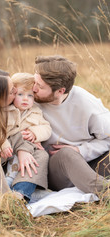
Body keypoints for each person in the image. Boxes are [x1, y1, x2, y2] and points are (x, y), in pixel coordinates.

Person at [30, 55, 110, 197]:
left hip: (89, 164)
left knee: (72, 153)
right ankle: (105, 192)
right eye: (34, 81)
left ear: (60, 91)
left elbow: (107, 138)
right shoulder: (28, 100)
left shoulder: (86, 103)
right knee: (66, 155)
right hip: (53, 169)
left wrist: (80, 150)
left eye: (40, 86)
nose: (33, 89)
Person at [2, 73, 52, 200]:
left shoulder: (35, 112)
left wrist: (35, 133)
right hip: (7, 149)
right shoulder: (5, 111)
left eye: (30, 95)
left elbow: (46, 128)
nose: (25, 99)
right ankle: (4, 186)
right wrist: (3, 143)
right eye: (20, 94)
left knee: (42, 155)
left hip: (27, 151)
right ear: (12, 94)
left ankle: (21, 192)